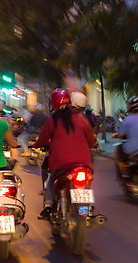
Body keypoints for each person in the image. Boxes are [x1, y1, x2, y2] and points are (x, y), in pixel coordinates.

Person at [32, 88, 96, 221]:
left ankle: (48, 205)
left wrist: (35, 145)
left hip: (61, 164)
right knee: (86, 184)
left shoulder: (53, 120)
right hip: (83, 163)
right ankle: (86, 210)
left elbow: (42, 140)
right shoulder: (81, 118)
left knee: (50, 181)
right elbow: (91, 141)